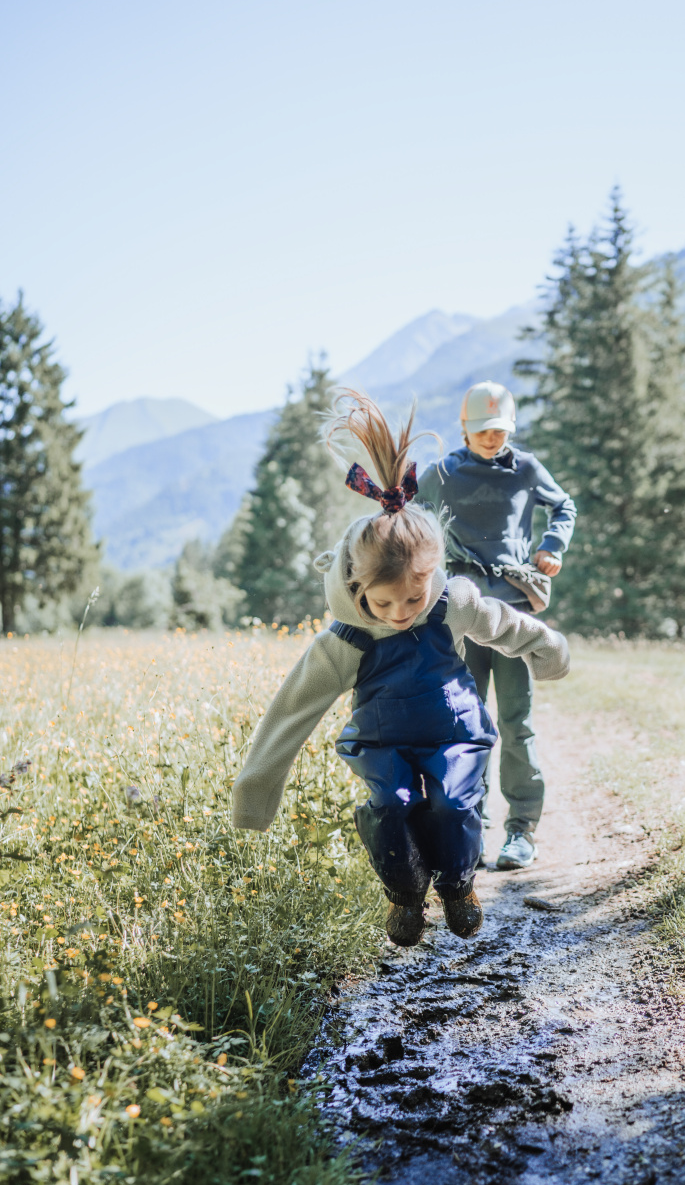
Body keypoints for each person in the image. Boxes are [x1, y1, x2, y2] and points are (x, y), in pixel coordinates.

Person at [231, 390, 570, 947]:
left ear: (430, 576)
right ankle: (407, 896)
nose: (397, 616)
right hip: (383, 741)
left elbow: (508, 624)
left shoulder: (451, 602)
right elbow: (293, 709)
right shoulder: (347, 637)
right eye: (381, 605)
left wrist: (548, 649)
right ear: (355, 588)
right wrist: (255, 788)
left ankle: (459, 886)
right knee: (389, 807)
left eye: (410, 602)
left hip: (453, 731)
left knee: (453, 804)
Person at [417, 380, 576, 870]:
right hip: (460, 616)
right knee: (466, 725)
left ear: (511, 427)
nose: (491, 437)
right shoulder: (440, 474)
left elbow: (564, 506)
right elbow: (410, 523)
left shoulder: (525, 468)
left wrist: (552, 546)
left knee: (516, 723)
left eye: (500, 429)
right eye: (483, 429)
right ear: (465, 427)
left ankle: (521, 831)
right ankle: (473, 828)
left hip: (515, 619)